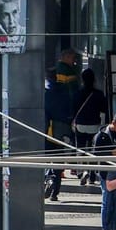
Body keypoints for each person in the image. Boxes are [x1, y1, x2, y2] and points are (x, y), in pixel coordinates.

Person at [43, 49, 81, 201]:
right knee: (58, 159)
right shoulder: (66, 94)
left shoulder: (46, 94)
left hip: (48, 129)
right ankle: (55, 190)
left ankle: (49, 179)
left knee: (46, 158)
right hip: (62, 128)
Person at [71, 69, 108, 186]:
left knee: (80, 149)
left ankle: (81, 172)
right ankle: (92, 175)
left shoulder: (77, 93)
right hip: (94, 125)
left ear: (82, 79)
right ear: (94, 79)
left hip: (80, 125)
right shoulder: (98, 94)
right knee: (92, 150)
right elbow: (103, 111)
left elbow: (73, 109)